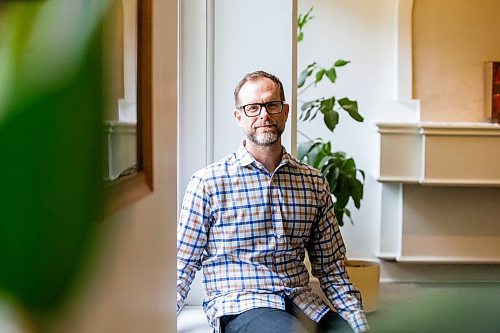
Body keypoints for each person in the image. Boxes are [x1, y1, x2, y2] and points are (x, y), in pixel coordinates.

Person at [177, 70, 370, 333]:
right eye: (253, 108)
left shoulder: (313, 183)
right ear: (239, 117)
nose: (264, 115)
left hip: (303, 303)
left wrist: (360, 325)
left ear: (285, 111)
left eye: (272, 105)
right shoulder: (208, 183)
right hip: (242, 304)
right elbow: (182, 265)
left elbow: (332, 270)